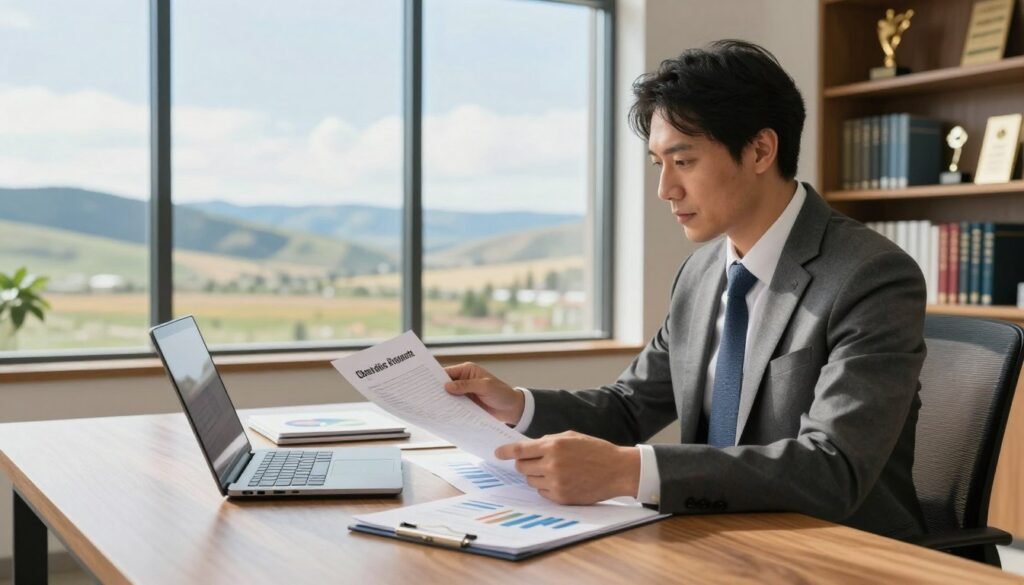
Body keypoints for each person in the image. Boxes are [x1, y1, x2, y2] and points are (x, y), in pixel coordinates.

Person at [444, 40, 927, 540]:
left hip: (840, 551)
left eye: (684, 161)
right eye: (659, 164)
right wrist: (518, 406)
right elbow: (630, 406)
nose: (665, 189)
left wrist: (628, 471)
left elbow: (833, 469)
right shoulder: (700, 274)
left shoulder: (871, 275)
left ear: (761, 150)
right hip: (717, 540)